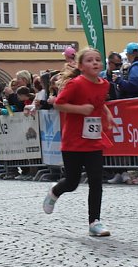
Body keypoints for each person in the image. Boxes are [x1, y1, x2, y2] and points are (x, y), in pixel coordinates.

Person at [42, 47, 114, 236]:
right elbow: (58, 104)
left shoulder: (104, 84)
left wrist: (107, 113)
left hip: (93, 139)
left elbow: (99, 102)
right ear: (81, 66)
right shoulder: (75, 84)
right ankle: (55, 191)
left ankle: (94, 222)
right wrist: (81, 109)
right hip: (73, 140)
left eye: (98, 60)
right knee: (72, 182)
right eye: (90, 60)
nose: (95, 63)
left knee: (96, 180)